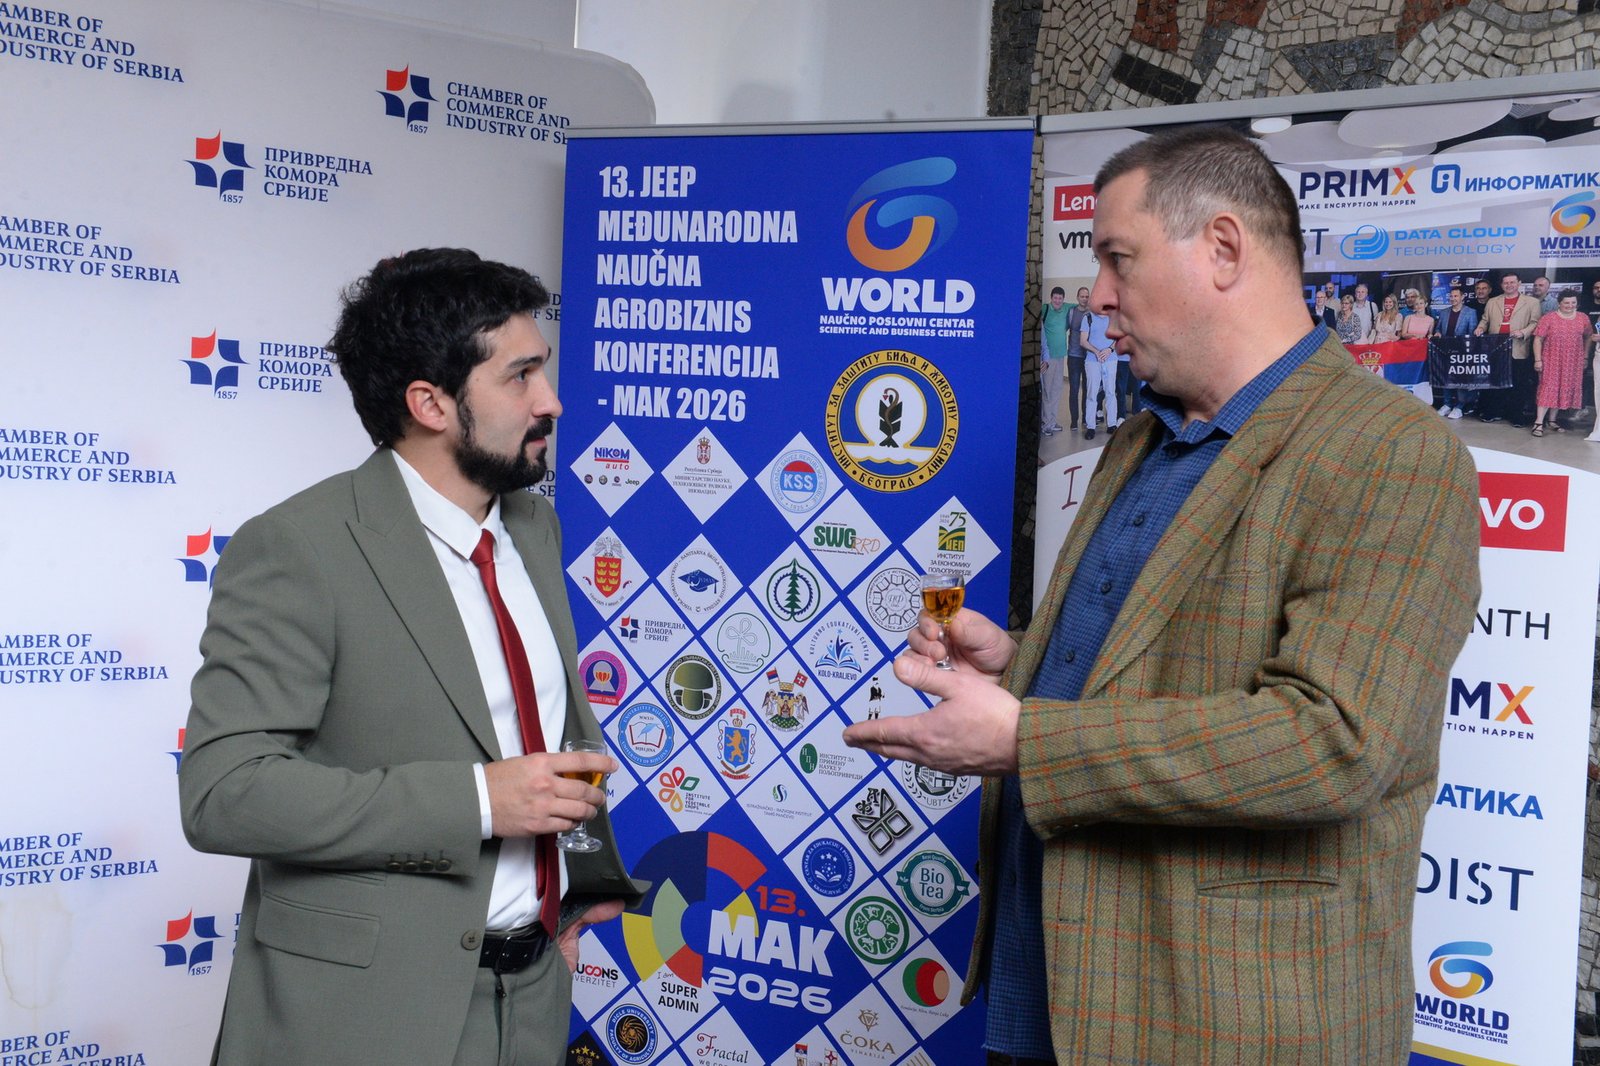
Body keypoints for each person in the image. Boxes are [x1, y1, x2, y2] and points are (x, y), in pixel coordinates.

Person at [842, 127, 1480, 1064]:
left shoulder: (1392, 451)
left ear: (1222, 248)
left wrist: (1024, 738)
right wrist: (1022, 672)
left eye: (1118, 258)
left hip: (1223, 1024)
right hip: (1051, 993)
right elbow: (1155, 667)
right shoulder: (1140, 438)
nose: (1097, 294)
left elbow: (1335, 740)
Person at [179, 249, 644, 1065]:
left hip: (533, 994)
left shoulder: (533, 526)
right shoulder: (300, 548)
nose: (551, 400)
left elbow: (530, 726)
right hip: (367, 1017)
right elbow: (224, 794)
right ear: (430, 403)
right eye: (520, 376)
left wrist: (564, 900)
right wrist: (477, 801)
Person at [1475, 271, 1541, 426]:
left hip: (1518, 348)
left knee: (1518, 384)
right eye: (1506, 283)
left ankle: (1516, 416)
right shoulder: (1493, 302)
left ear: (1519, 283)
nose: (1509, 285)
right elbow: (1485, 320)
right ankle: (1493, 412)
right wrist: (1480, 328)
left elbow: (1535, 323)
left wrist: (1523, 332)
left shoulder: (1531, 302)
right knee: (1494, 383)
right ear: (1501, 285)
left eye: (1512, 282)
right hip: (1496, 349)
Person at [1532, 292, 1596, 436]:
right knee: (1548, 388)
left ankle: (1552, 421)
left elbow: (1588, 337)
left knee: (1562, 389)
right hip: (1551, 359)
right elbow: (1538, 339)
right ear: (1559, 303)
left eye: (1573, 302)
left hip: (1573, 361)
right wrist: (1538, 359)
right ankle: (1538, 423)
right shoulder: (1548, 318)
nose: (1570, 305)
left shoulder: (1583, 318)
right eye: (1566, 303)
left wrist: (1585, 356)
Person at [1432, 284, 1478, 419]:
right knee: (1446, 378)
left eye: (1456, 296)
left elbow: (1472, 334)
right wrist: (1438, 333)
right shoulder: (1444, 312)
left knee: (1460, 380)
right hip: (1446, 351)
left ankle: (1459, 407)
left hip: (1462, 353)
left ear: (1462, 297)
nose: (1453, 298)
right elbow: (1438, 329)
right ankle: (1447, 404)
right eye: (1451, 296)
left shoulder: (1470, 312)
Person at [1079, 305, 1117, 439]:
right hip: (1092, 361)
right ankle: (1090, 427)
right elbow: (1083, 341)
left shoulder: (1113, 318)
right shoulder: (1088, 317)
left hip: (1110, 360)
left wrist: (1109, 350)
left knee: (1111, 392)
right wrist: (1096, 352)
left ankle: (1112, 425)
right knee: (1092, 393)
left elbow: (1118, 338)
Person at [1039, 286, 1070, 435]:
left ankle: (1052, 420)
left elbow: (1082, 305)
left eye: (1060, 298)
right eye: (1055, 298)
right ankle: (1045, 423)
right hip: (1048, 358)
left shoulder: (1066, 308)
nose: (1057, 301)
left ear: (1063, 299)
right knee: (1047, 391)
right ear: (1051, 298)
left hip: (1060, 356)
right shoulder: (1044, 309)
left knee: (1057, 390)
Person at [1065, 286, 1091, 431]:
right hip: (1074, 356)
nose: (1084, 299)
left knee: (1087, 389)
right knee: (1074, 389)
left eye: (1087, 296)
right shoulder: (1071, 312)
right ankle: (1074, 420)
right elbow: (1064, 329)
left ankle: (1086, 418)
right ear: (1077, 297)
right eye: (1082, 296)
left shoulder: (1092, 313)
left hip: (1089, 357)